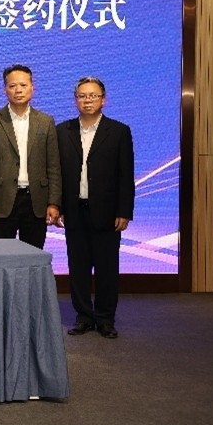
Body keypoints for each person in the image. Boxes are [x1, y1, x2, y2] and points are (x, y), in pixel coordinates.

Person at [56, 77, 135, 339]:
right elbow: (57, 173)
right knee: (78, 268)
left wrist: (124, 211)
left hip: (108, 212)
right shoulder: (62, 131)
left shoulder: (119, 131)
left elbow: (125, 175)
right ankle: (83, 317)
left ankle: (105, 318)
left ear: (103, 99)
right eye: (82, 96)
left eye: (93, 95)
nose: (87, 100)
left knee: (107, 268)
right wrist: (57, 205)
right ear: (75, 100)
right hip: (74, 210)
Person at [0, 65, 61, 249]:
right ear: (5, 89)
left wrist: (54, 203)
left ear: (32, 88)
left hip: (36, 201)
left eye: (23, 85)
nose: (18, 90)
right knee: (0, 257)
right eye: (12, 86)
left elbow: (53, 166)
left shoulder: (46, 122)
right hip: (2, 201)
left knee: (34, 256)